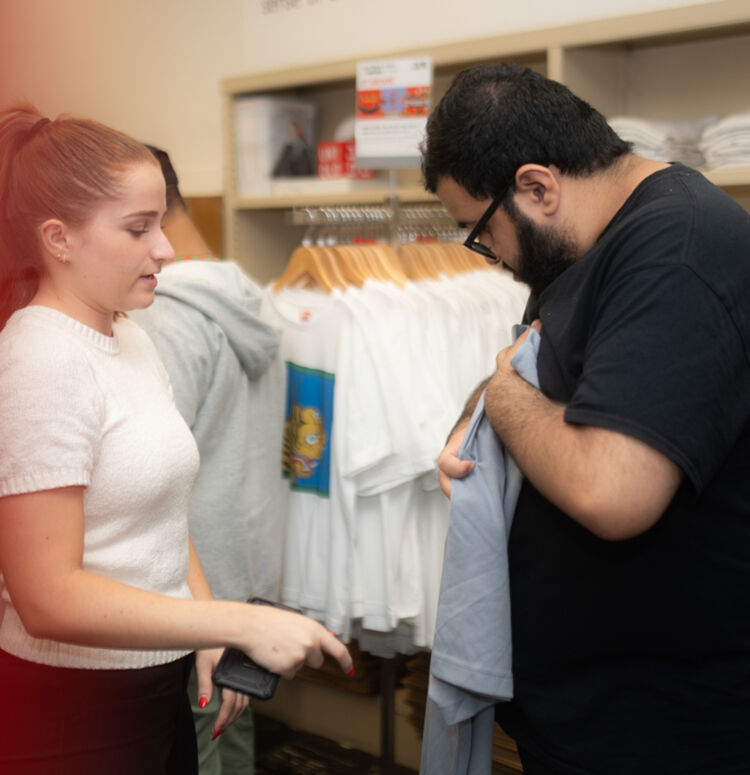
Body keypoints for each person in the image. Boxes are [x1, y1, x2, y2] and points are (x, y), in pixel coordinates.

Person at [0, 103, 352, 775]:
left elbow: (163, 509)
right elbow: (46, 597)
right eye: (139, 228)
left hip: (155, 684)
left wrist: (202, 615)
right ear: (58, 238)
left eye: (160, 222)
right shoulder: (39, 361)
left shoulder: (127, 335)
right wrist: (234, 622)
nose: (164, 248)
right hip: (72, 707)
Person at [421, 62, 750, 775]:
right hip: (588, 709)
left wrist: (501, 399)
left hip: (661, 728)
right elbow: (544, 369)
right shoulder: (593, 244)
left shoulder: (677, 253)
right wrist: (476, 417)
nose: (489, 255)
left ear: (538, 187)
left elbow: (613, 490)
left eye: (481, 231)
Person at [130, 145, 286, 774]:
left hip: (190, 592)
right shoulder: (247, 295)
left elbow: (152, 473)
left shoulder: (161, 317)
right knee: (231, 745)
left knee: (206, 748)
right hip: (243, 575)